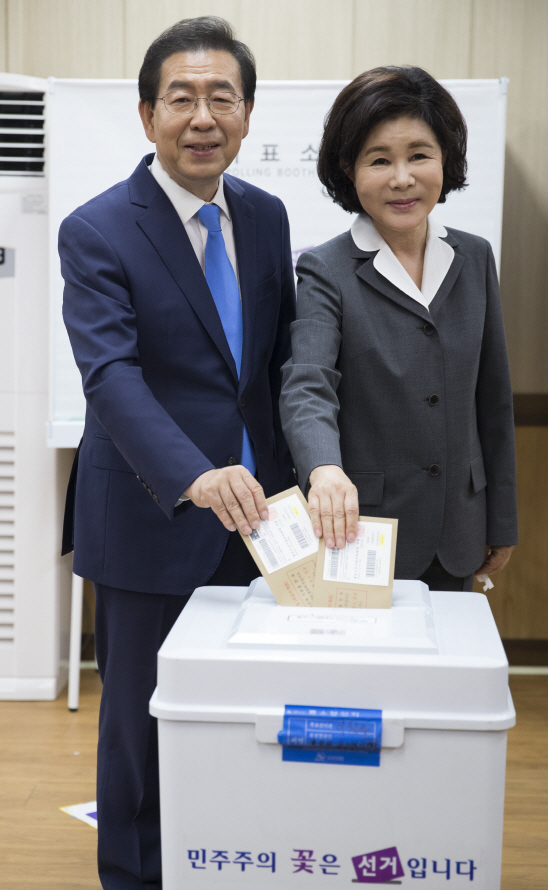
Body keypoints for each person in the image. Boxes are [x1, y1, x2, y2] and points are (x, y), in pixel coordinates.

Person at [59, 17, 295, 889]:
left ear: (247, 113)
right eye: (182, 98)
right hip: (151, 511)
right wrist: (194, 475)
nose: (203, 117)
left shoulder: (266, 218)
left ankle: (226, 860)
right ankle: (134, 873)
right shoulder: (98, 230)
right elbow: (110, 376)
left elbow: (275, 367)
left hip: (263, 522)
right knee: (141, 723)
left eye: (221, 98)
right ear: (147, 113)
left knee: (238, 715)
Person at [280, 66, 517, 593]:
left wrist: (502, 519)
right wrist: (323, 468)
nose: (402, 178)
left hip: (461, 526)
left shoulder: (474, 257)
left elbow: (493, 399)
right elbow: (307, 384)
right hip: (363, 532)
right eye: (379, 160)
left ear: (445, 159)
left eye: (419, 155)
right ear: (349, 169)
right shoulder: (326, 268)